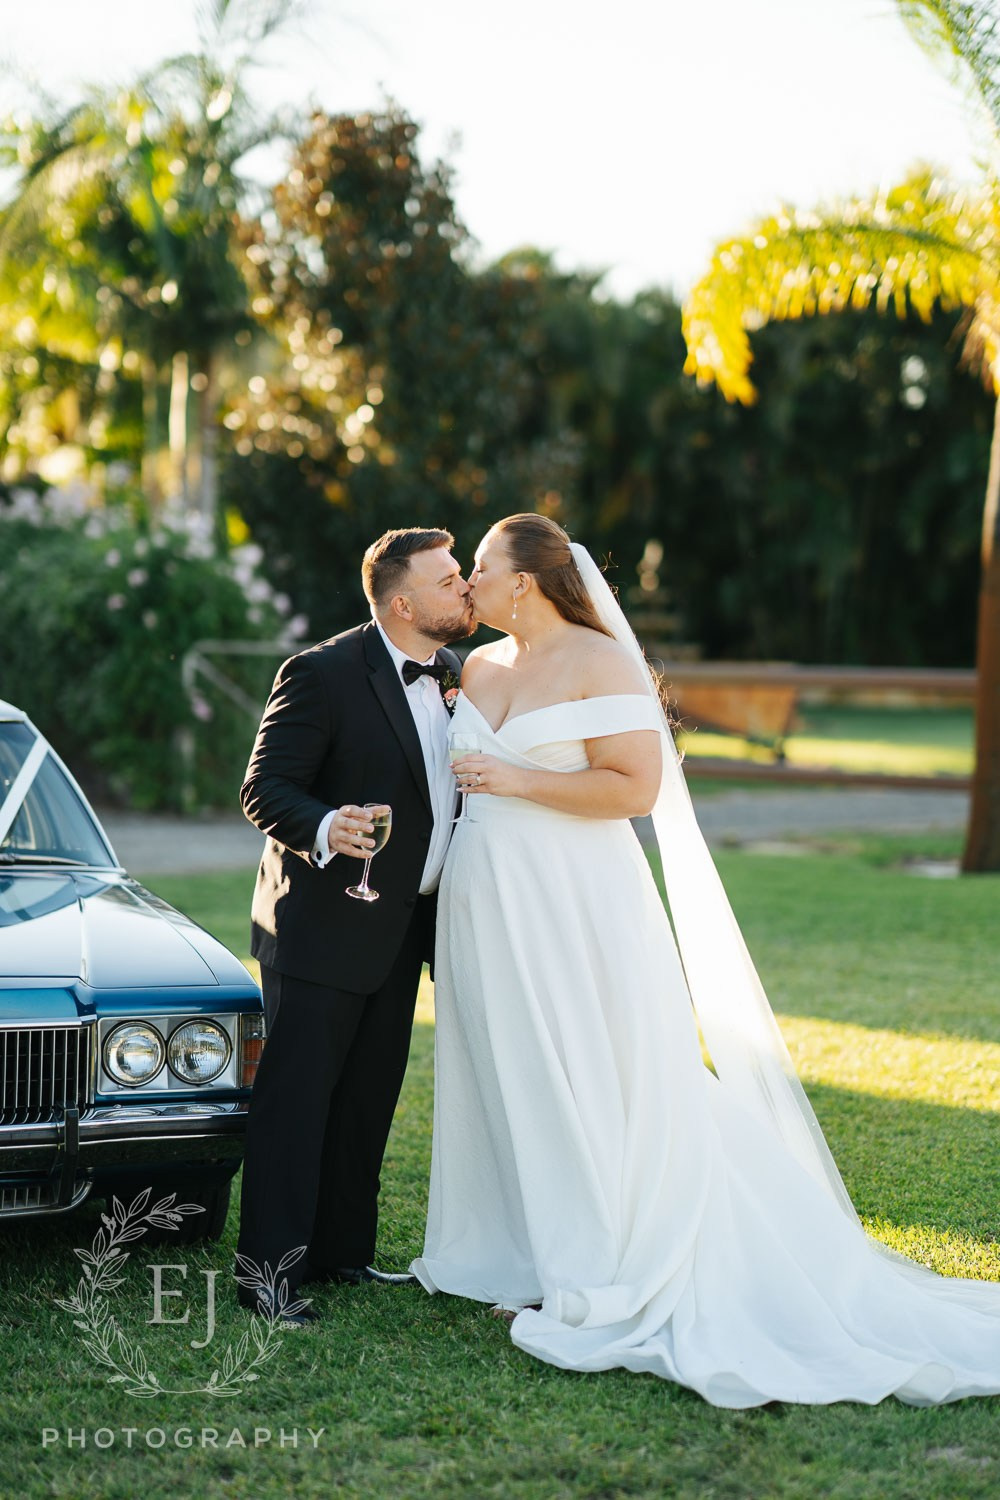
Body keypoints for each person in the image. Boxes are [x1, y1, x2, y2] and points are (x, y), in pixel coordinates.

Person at [411, 512, 1000, 1407]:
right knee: (512, 1066)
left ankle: (602, 1254)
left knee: (598, 1069)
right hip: (488, 905)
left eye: (480, 571)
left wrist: (521, 780)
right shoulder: (479, 667)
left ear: (523, 582)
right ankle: (525, 1249)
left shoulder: (601, 661)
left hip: (576, 904)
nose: (469, 587)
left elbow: (634, 788)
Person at [236, 527, 474, 1323]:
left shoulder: (454, 674)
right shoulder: (322, 672)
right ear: (402, 603)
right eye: (448, 582)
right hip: (320, 924)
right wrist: (329, 823)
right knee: (297, 1105)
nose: (465, 589)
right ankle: (267, 1275)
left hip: (403, 928)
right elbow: (266, 788)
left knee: (368, 1100)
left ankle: (342, 1255)